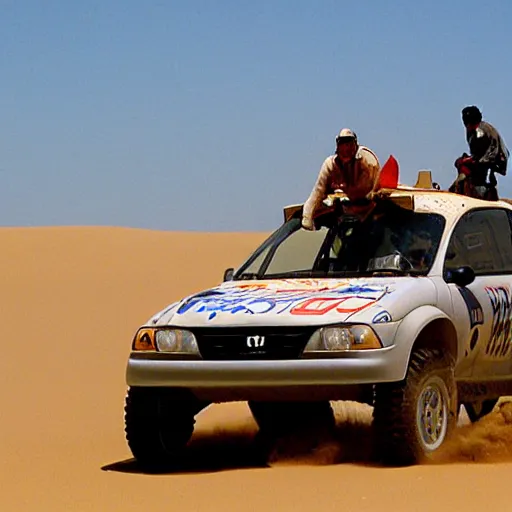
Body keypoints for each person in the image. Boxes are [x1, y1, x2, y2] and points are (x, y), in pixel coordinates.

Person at [301, 128, 381, 230]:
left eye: (349, 143)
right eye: (343, 143)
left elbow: (371, 189)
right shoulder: (330, 165)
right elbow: (317, 193)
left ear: (355, 145)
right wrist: (307, 217)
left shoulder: (367, 160)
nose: (346, 148)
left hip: (370, 212)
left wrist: (349, 196)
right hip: (342, 213)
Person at [450, 105, 509, 200]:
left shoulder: (483, 132)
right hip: (482, 159)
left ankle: (480, 192)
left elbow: (491, 154)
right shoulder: (472, 132)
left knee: (468, 168)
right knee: (461, 163)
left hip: (494, 160)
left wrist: (472, 161)